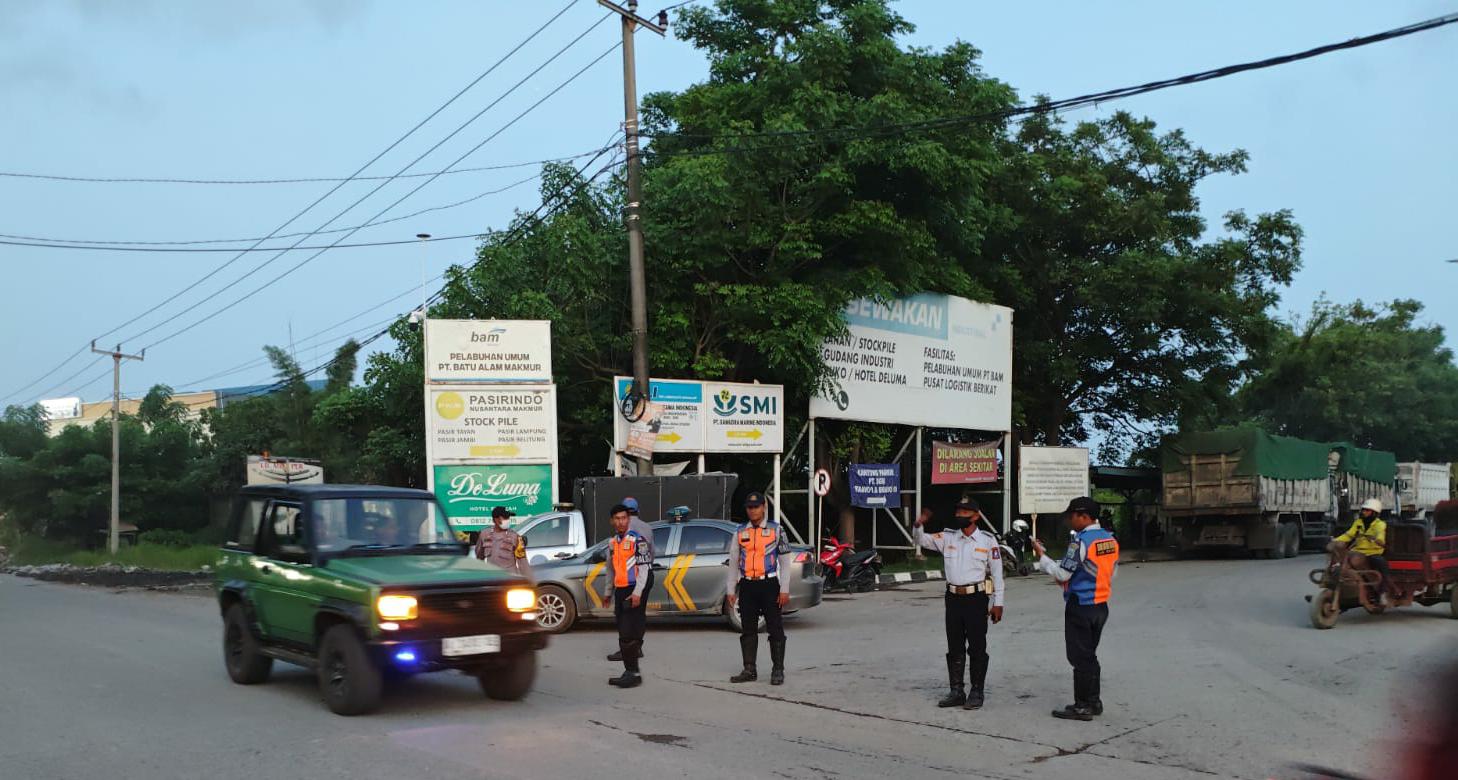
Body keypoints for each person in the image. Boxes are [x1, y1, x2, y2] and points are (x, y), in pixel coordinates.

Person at [1032, 496, 1119, 721]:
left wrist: (1042, 557)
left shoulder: (1080, 542)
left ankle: (1082, 706)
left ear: (1084, 516)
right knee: (1089, 655)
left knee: (1080, 658)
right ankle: (1094, 702)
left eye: (1072, 516)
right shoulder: (1110, 539)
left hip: (1080, 605)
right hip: (1101, 605)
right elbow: (1111, 572)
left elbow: (1063, 574)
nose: (1070, 521)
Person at [913, 499, 1005, 710]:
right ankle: (956, 691)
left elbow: (997, 574)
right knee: (954, 645)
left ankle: (977, 691)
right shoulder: (948, 537)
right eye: (958, 511)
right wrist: (918, 525)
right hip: (953, 598)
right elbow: (921, 540)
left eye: (965, 512)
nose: (960, 515)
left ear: (976, 516)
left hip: (976, 598)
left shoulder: (987, 540)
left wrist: (998, 603)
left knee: (977, 646)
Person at [726, 492, 791, 685]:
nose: (752, 510)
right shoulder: (740, 532)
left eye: (756, 507)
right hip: (747, 585)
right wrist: (731, 589)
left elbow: (785, 561)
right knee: (748, 629)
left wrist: (784, 588)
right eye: (749, 507)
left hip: (769, 584)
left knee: (775, 628)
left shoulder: (776, 530)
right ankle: (749, 669)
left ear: (764, 507)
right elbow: (733, 562)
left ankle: (777, 670)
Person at [600, 504, 652, 688]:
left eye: (624, 518)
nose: (621, 522)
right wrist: (608, 592)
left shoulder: (638, 540)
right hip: (620, 590)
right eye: (617, 518)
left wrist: (637, 593)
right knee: (623, 632)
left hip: (633, 589)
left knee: (628, 633)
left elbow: (644, 569)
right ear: (612, 521)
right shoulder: (613, 543)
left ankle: (633, 673)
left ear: (628, 519)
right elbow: (610, 569)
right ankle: (630, 671)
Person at [606, 496, 658, 663]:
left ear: (627, 516)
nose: (621, 522)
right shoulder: (647, 527)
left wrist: (609, 590)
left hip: (633, 580)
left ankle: (629, 652)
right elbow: (651, 554)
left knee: (625, 617)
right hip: (645, 575)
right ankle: (636, 648)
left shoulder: (623, 534)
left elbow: (611, 565)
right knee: (638, 614)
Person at [1333, 498, 1389, 597]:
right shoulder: (1358, 522)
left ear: (1374, 513)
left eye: (1367, 510)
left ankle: (1383, 592)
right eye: (1363, 510)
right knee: (1337, 563)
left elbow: (1380, 537)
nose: (1364, 512)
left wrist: (1376, 539)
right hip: (1357, 551)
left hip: (1372, 553)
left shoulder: (1380, 525)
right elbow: (1349, 535)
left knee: (1381, 564)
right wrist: (1336, 541)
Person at [474, 507, 531, 578]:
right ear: (495, 520)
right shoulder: (484, 534)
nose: (508, 520)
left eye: (508, 518)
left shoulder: (515, 537)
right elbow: (479, 556)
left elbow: (523, 563)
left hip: (510, 579)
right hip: (492, 578)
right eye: (505, 518)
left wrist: (528, 580)